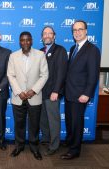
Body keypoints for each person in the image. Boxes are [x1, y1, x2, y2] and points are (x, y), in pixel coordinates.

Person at [61, 20, 101, 160]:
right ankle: (71, 141)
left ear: (86, 31)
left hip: (80, 95)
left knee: (77, 123)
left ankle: (74, 150)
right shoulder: (73, 48)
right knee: (70, 121)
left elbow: (93, 75)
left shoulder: (92, 50)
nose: (77, 32)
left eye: (80, 29)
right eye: (74, 30)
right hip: (69, 93)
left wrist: (87, 94)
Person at [7, 31, 48, 160]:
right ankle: (19, 146)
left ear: (32, 41)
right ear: (19, 41)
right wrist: (19, 92)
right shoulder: (13, 56)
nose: (25, 42)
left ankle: (34, 148)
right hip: (18, 97)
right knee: (19, 124)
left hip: (34, 97)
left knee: (34, 124)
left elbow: (44, 75)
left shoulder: (41, 55)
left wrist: (33, 90)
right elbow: (10, 75)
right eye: (23, 40)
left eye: (28, 40)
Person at [39, 26, 68, 155]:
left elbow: (62, 73)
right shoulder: (40, 52)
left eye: (50, 33)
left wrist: (56, 91)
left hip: (52, 93)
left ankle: (54, 145)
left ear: (54, 36)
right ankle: (46, 138)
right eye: (45, 33)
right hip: (41, 92)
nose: (47, 36)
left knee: (53, 120)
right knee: (43, 118)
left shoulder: (60, 50)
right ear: (42, 37)